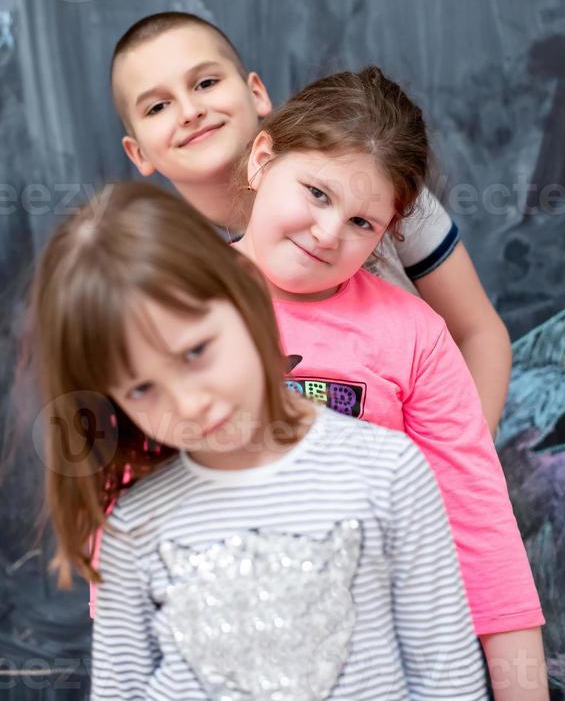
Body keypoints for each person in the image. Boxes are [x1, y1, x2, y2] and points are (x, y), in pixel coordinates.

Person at [28, 182, 488, 700]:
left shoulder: (388, 472)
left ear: (243, 291)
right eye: (141, 388)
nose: (188, 403)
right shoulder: (133, 528)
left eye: (196, 351)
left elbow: (447, 677)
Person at [232, 67, 549, 701]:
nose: (327, 233)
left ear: (390, 233)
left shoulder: (414, 336)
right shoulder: (172, 303)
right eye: (317, 193)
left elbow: (482, 528)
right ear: (263, 159)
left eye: (362, 224)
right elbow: (127, 513)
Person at [111, 12, 511, 434]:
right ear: (138, 153)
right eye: (158, 106)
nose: (190, 111)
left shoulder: (371, 182)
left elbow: (479, 333)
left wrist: (447, 469)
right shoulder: (168, 271)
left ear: (257, 93)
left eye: (206, 83)